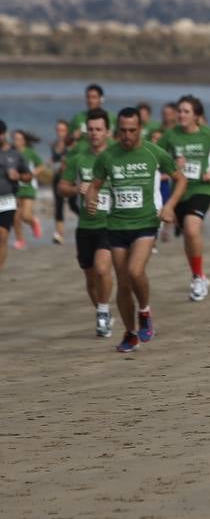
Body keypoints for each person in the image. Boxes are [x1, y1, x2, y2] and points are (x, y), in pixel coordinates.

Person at [84, 107, 186, 354]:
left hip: (146, 223)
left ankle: (145, 311)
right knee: (123, 284)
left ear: (140, 128)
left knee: (134, 270)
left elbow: (180, 179)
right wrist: (91, 198)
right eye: (123, 130)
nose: (128, 135)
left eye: (132, 130)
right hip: (117, 225)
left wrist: (170, 205)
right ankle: (130, 333)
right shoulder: (108, 156)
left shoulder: (153, 151)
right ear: (117, 130)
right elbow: (95, 185)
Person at [160, 95, 210, 301]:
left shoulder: (208, 134)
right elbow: (156, 160)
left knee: (192, 228)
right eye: (179, 111)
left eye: (186, 111)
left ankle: (197, 279)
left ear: (197, 116)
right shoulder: (170, 135)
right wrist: (174, 165)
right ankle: (198, 274)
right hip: (180, 192)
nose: (181, 115)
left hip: (202, 189)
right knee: (188, 236)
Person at [58, 108, 114, 336]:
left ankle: (102, 311)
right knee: (90, 277)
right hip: (85, 227)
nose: (94, 133)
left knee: (102, 269)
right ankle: (103, 310)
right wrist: (75, 188)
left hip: (110, 224)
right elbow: (62, 187)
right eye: (90, 129)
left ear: (107, 131)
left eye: (98, 129)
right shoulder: (78, 159)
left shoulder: (115, 157)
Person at [0, 120, 34, 274]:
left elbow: (28, 176)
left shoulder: (15, 154)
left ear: (4, 134)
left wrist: (18, 175)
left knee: (2, 235)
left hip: (7, 201)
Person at [10, 130, 42, 248]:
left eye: (19, 139)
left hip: (29, 187)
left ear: (24, 140)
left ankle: (33, 221)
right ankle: (20, 240)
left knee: (25, 215)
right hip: (14, 188)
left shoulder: (30, 153)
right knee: (15, 217)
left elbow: (41, 165)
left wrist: (33, 174)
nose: (16, 141)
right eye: (15, 139)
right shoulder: (11, 152)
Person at [50, 119, 73, 245]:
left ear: (67, 131)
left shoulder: (71, 145)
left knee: (73, 204)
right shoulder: (54, 145)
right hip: (57, 179)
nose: (60, 132)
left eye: (63, 130)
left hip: (70, 180)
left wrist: (66, 164)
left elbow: (75, 160)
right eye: (58, 130)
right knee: (58, 206)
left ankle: (88, 223)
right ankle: (59, 234)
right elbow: (54, 162)